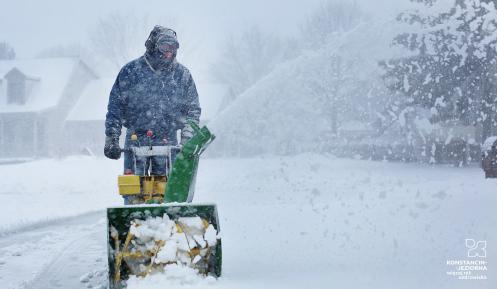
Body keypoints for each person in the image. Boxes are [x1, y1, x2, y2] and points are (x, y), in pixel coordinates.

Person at [104, 26, 201, 176]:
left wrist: (187, 138)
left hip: (168, 141)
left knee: (167, 192)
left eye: (173, 47)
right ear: (153, 46)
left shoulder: (182, 75)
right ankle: (134, 199)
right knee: (134, 190)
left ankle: (165, 199)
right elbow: (115, 107)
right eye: (164, 46)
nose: (169, 52)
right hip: (135, 140)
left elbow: (192, 110)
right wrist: (112, 138)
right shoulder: (131, 72)